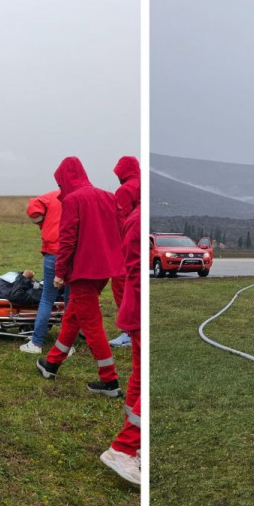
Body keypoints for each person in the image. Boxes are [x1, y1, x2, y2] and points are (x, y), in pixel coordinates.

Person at [36, 156, 124, 397]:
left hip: (83, 272)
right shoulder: (108, 196)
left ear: (66, 179)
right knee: (73, 315)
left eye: (60, 184)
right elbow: (120, 229)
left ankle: (110, 381)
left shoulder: (73, 200)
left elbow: (67, 240)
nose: (60, 189)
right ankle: (51, 364)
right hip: (104, 271)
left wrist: (60, 273)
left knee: (92, 325)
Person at [100, 177, 141, 485]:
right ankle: (124, 447)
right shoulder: (137, 220)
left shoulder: (134, 218)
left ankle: (132, 444)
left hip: (135, 311)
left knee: (140, 376)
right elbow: (136, 276)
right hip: (137, 313)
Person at [20, 189, 64, 355]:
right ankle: (66, 345)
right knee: (70, 299)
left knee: (47, 298)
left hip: (53, 251)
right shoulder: (82, 196)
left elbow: (33, 208)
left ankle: (36, 342)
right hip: (74, 253)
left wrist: (41, 223)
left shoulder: (52, 196)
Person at [109, 155, 140, 348]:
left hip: (125, 247)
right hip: (138, 246)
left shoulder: (125, 190)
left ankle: (129, 332)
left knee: (122, 287)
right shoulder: (142, 186)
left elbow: (120, 221)